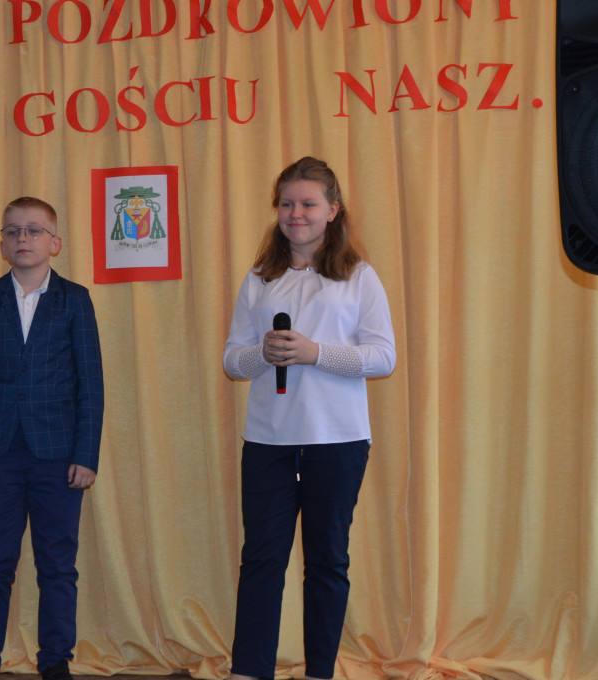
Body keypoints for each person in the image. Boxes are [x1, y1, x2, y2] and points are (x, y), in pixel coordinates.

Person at [222, 157, 396, 680]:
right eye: (286, 204)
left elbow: (383, 357)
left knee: (327, 562)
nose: (295, 213)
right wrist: (263, 354)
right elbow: (232, 361)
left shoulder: (359, 277)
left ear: (333, 210)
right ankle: (249, 670)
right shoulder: (260, 278)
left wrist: (315, 353)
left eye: (307, 204)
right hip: (268, 441)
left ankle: (320, 670)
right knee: (261, 561)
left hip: (337, 440)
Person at [0, 196, 104, 680]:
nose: (23, 238)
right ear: (2, 243)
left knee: (57, 565)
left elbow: (90, 383)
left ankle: (56, 660)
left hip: (58, 455)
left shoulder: (75, 300)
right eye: (13, 231)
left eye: (34, 230)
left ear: (54, 243)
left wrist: (86, 454)